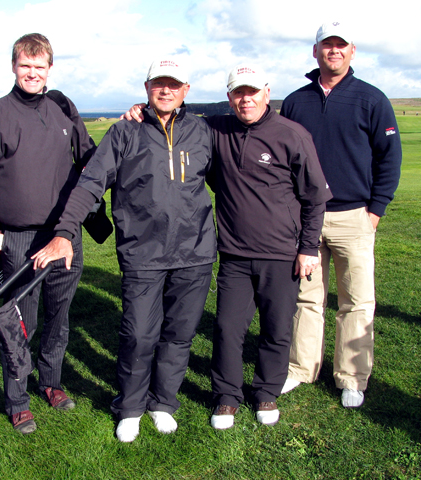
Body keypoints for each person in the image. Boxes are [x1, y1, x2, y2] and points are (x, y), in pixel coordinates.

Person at [120, 64, 331, 430]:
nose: (245, 99)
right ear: (229, 97)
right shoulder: (216, 129)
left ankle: (266, 392)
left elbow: (314, 197)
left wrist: (308, 247)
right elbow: (174, 118)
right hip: (233, 253)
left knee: (277, 329)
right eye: (238, 93)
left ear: (267, 92)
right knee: (227, 330)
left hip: (282, 253)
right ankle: (227, 396)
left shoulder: (292, 134)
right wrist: (141, 110)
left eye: (252, 92)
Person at [33, 58, 216, 442]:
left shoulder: (202, 130)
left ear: (186, 90)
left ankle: (163, 402)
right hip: (143, 254)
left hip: (195, 253)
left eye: (174, 84)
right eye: (158, 83)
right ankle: (131, 407)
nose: (166, 90)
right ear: (146, 88)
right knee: (139, 336)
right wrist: (64, 232)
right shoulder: (124, 131)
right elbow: (90, 184)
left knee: (179, 335)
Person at [0, 33, 96, 434]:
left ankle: (50, 383)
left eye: (39, 66)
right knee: (20, 324)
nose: (32, 73)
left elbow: (90, 157)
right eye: (25, 66)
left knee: (59, 319)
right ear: (14, 67)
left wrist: (131, 125)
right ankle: (18, 400)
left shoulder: (63, 108)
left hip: (65, 235)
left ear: (50, 68)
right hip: (17, 239)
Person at [279, 21, 402, 408]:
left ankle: (351, 376)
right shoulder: (296, 101)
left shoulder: (372, 99)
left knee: (357, 301)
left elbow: (389, 159)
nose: (334, 50)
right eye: (326, 45)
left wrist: (375, 210)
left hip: (354, 216)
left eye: (340, 45)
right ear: (315, 51)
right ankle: (301, 368)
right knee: (306, 299)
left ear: (352, 51)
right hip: (306, 218)